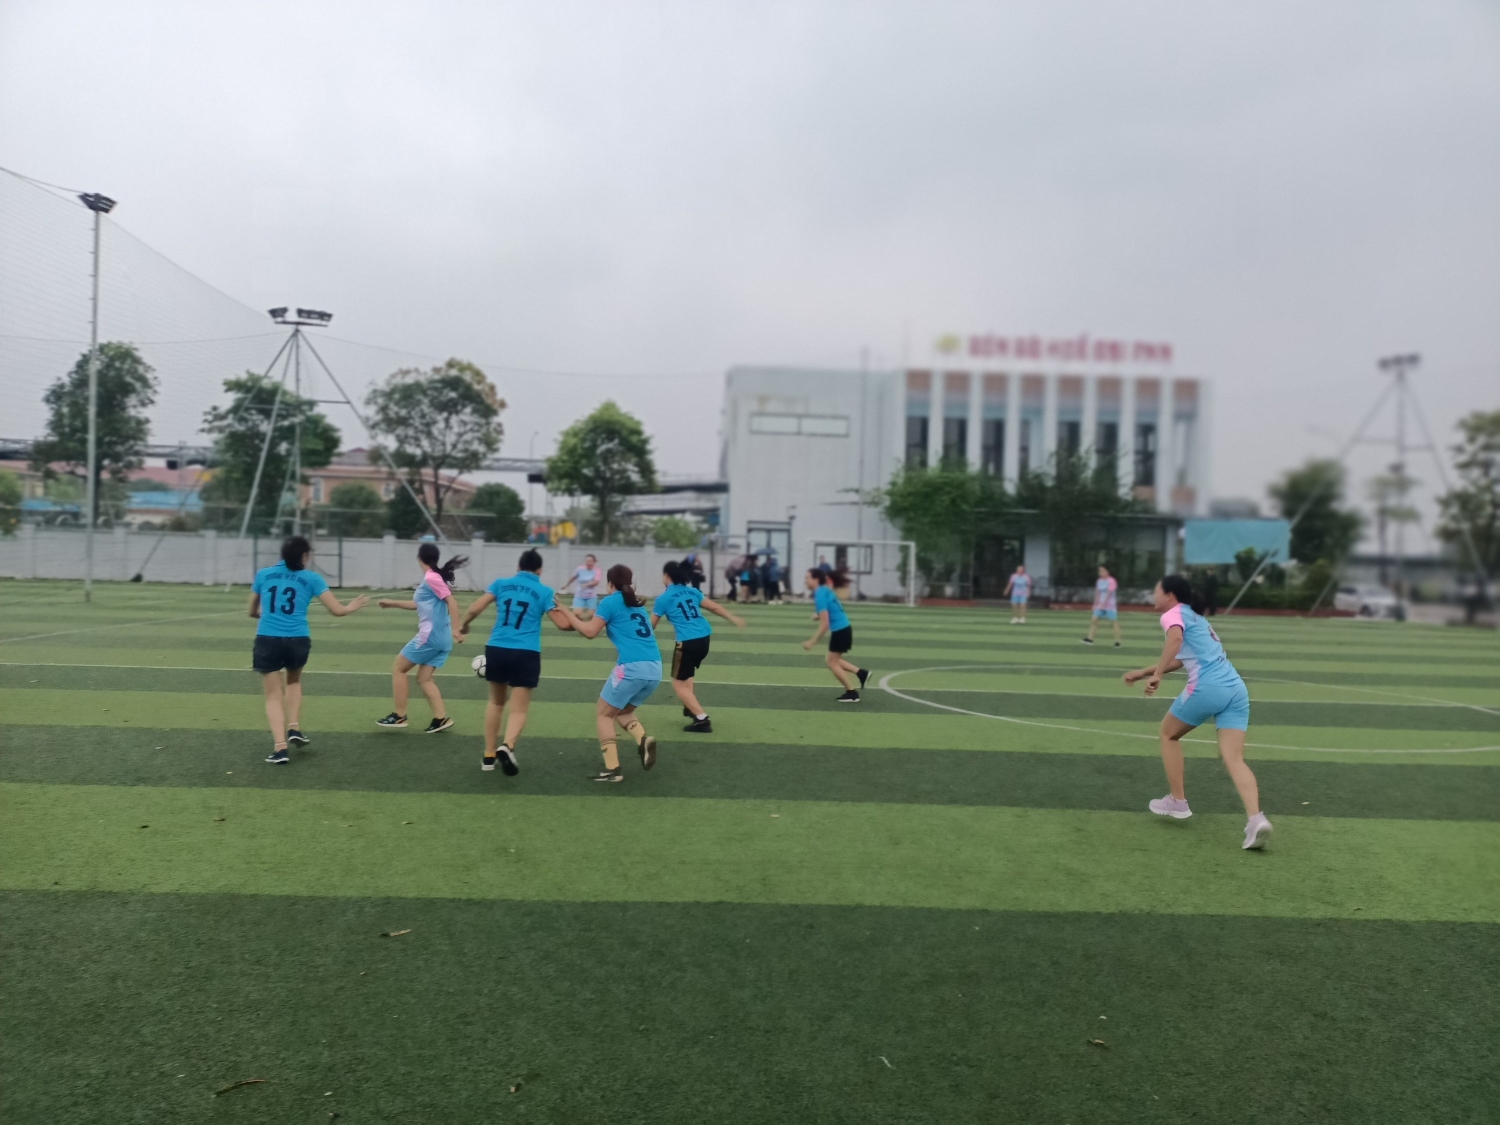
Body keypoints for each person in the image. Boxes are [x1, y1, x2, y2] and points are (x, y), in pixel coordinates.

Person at [1123, 574, 1272, 850]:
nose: (1154, 594)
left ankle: (1177, 801)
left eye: (1156, 589)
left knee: (1168, 734)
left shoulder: (1172, 615)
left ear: (1169, 595)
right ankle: (1256, 820)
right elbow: (1181, 659)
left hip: (1208, 687)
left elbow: (1175, 641)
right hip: (1236, 689)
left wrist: (1157, 675)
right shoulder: (1195, 617)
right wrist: (1144, 671)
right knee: (1234, 758)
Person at [249, 535, 369, 764]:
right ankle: (294, 727)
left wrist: (267, 617)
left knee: (273, 696)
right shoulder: (312, 578)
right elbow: (337, 610)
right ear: (305, 556)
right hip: (298, 639)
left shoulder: (264, 574)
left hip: (268, 638)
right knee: (294, 681)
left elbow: (251, 610)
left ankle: (280, 748)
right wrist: (353, 606)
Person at [459, 548, 575, 775]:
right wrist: (576, 619)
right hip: (526, 652)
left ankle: (489, 756)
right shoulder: (545, 591)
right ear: (540, 570)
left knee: (496, 702)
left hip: (497, 647)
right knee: (519, 709)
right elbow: (563, 624)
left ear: (518, 567)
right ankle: (508, 745)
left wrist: (464, 625)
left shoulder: (501, 584)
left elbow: (475, 608)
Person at [567, 564, 661, 782]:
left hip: (631, 668)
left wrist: (567, 614)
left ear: (609, 583)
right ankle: (643, 740)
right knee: (622, 712)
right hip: (655, 669)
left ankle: (613, 770)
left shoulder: (610, 601)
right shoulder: (637, 605)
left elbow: (590, 632)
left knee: (604, 714)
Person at [375, 543, 467, 733]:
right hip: (442, 639)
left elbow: (452, 601)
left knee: (399, 669)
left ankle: (399, 716)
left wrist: (457, 629)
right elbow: (418, 604)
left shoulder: (431, 577)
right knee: (424, 679)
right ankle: (440, 718)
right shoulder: (433, 577)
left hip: (430, 637)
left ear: (419, 558)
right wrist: (391, 603)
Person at [653, 559, 746, 732]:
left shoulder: (663, 598)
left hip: (687, 641)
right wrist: (733, 618)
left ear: (667, 576)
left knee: (678, 683)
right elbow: (714, 607)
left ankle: (702, 719)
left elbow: (651, 625)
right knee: (687, 675)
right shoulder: (692, 591)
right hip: (704, 638)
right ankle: (690, 707)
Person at [802, 567, 869, 702]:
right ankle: (861, 674)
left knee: (832, 663)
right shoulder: (824, 590)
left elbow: (825, 624)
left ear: (816, 580)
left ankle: (852, 693)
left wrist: (812, 642)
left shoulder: (820, 594)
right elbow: (830, 608)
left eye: (808, 578)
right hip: (844, 628)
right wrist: (818, 615)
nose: (805, 581)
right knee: (832, 660)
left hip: (840, 631)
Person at [1083, 564, 1122, 646]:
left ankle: (1117, 641)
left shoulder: (1111, 581)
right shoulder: (1099, 581)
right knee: (1094, 620)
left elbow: (1109, 594)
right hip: (1100, 605)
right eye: (1100, 571)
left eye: (1102, 570)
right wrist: (1095, 604)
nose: (1100, 572)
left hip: (1110, 606)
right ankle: (1090, 639)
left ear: (1107, 572)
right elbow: (1098, 593)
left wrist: (1103, 604)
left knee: (1113, 622)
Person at [558, 553, 603, 619]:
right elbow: (573, 577)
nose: (588, 563)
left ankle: (589, 624)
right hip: (580, 595)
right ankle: (581, 624)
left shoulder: (597, 570)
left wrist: (586, 585)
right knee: (576, 614)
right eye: (587, 561)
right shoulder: (580, 569)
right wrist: (566, 585)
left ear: (594, 562)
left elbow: (596, 582)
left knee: (591, 616)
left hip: (591, 596)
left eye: (590, 561)